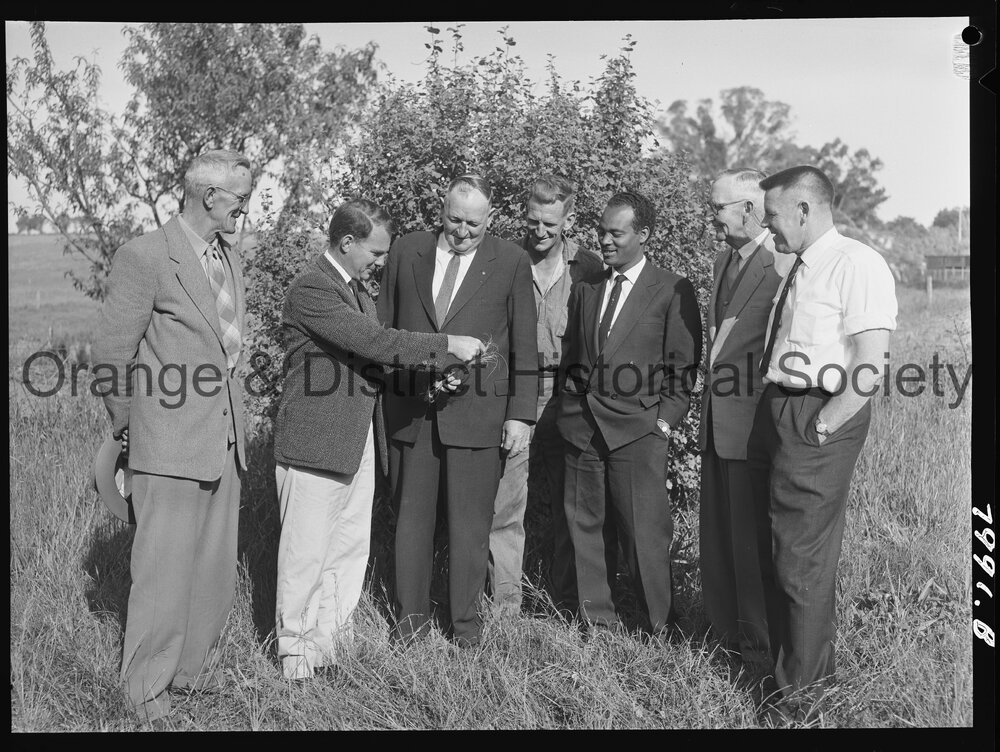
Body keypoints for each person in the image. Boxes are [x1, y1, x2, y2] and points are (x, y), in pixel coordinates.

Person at [271, 198, 485, 680]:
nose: (382, 262)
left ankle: (331, 648)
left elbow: (378, 363)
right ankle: (296, 660)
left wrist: (434, 381)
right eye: (376, 252)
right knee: (306, 554)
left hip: (357, 440)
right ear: (347, 242)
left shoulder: (358, 293)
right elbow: (376, 343)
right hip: (315, 442)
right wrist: (447, 344)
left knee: (348, 549)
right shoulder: (312, 289)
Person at [92, 149, 253, 721]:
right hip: (166, 444)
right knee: (162, 574)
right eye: (240, 199)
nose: (245, 210)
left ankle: (187, 675)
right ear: (209, 196)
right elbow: (111, 354)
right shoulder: (145, 256)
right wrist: (133, 429)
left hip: (225, 441)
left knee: (212, 572)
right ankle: (142, 691)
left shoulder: (228, 257)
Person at [748, 165, 897, 722]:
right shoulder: (802, 265)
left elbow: (871, 361)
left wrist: (825, 425)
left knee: (800, 559)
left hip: (817, 415)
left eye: (772, 215)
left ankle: (800, 703)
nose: (767, 226)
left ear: (804, 209)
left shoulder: (857, 263)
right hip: (779, 408)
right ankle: (795, 674)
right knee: (775, 548)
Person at [376, 174, 538, 647]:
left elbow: (524, 344)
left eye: (473, 223)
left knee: (470, 529)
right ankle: (410, 626)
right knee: (411, 524)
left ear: (490, 219)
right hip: (410, 413)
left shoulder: (511, 261)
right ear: (440, 209)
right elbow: (383, 330)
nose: (462, 231)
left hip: (479, 416)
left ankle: (465, 628)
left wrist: (520, 414)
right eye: (454, 219)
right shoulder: (406, 250)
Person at [556, 191, 702, 636]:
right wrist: (570, 409)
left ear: (644, 235)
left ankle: (660, 626)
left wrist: (662, 423)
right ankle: (597, 622)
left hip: (639, 431)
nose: (605, 240)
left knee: (644, 534)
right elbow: (573, 357)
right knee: (585, 528)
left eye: (616, 233)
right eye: (601, 231)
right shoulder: (587, 287)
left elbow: (683, 370)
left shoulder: (672, 289)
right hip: (583, 429)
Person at [486, 174, 605, 617]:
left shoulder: (589, 267)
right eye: (533, 220)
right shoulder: (505, 259)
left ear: (568, 221)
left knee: (571, 505)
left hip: (569, 395)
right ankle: (505, 606)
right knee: (505, 505)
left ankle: (569, 603)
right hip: (515, 393)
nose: (539, 231)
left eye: (550, 224)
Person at [698, 168, 793, 665]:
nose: (711, 216)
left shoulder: (782, 263)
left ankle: (756, 646)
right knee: (717, 536)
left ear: (749, 209)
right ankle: (723, 634)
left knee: (750, 540)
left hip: (752, 424)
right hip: (716, 421)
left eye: (718, 207)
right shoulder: (723, 260)